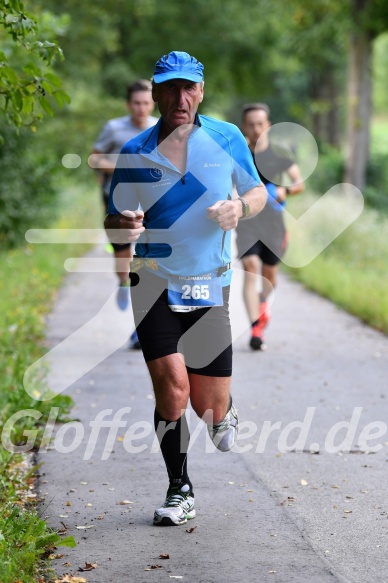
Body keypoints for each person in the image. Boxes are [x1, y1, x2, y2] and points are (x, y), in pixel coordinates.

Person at [104, 51, 267, 526]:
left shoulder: (227, 138)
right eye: (170, 88)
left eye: (189, 88)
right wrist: (123, 223)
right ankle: (180, 488)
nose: (180, 97)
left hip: (208, 283)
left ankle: (224, 411)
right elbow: (113, 219)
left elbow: (256, 191)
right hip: (152, 280)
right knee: (171, 389)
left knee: (207, 407)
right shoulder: (135, 152)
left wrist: (240, 207)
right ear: (155, 93)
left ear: (201, 91)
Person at [90, 80, 158, 348]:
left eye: (146, 103)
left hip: (150, 202)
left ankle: (140, 327)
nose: (141, 108)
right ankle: (122, 283)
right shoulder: (114, 128)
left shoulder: (159, 127)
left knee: (143, 263)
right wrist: (124, 165)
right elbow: (94, 159)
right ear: (128, 104)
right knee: (124, 264)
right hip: (117, 201)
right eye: (136, 103)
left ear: (152, 103)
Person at [236, 103, 304, 351]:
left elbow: (299, 183)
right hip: (247, 221)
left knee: (268, 275)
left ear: (268, 126)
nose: (256, 129)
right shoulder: (238, 153)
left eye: (260, 124)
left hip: (273, 224)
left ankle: (264, 304)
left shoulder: (279, 155)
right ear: (245, 126)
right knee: (250, 267)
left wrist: (285, 190)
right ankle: (255, 327)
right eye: (251, 124)